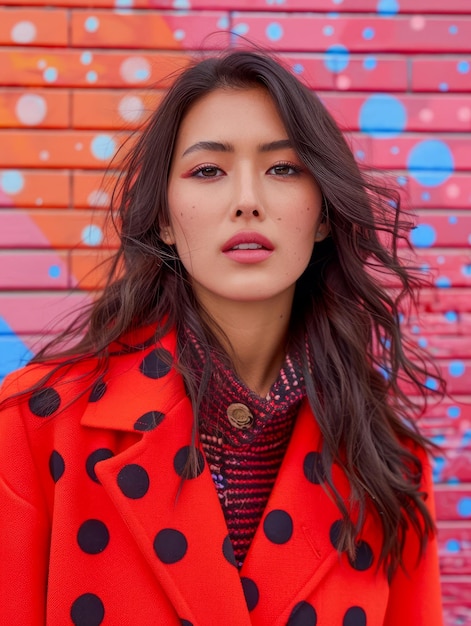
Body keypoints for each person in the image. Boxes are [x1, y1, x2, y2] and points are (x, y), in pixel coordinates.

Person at [0, 49, 444, 626]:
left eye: (283, 169)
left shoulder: (388, 461)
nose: (247, 201)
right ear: (163, 215)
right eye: (208, 171)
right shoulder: (36, 425)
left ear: (325, 214)